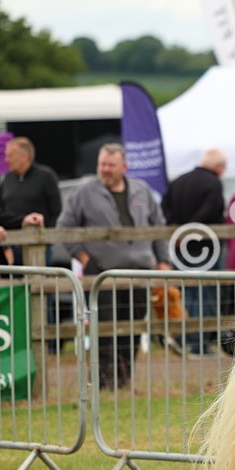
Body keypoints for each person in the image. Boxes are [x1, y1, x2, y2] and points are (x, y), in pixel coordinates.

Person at [57, 144, 171, 388]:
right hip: (102, 273)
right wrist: (84, 257)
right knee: (105, 327)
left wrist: (163, 260)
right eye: (102, 164)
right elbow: (64, 228)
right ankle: (103, 381)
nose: (105, 170)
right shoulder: (83, 192)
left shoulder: (141, 191)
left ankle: (124, 378)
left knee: (134, 326)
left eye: (111, 165)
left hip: (140, 272)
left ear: (124, 167)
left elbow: (159, 227)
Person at [161, 148, 228, 357]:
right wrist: (191, 229)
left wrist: (179, 230)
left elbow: (165, 209)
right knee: (206, 294)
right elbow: (211, 212)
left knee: (188, 293)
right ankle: (198, 345)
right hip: (206, 248)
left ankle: (183, 338)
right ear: (218, 167)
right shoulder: (213, 184)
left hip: (181, 246)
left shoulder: (179, 181)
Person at [0, 137, 61, 263]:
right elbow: (1, 210)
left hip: (39, 245)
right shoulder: (7, 179)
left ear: (25, 157)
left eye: (10, 156)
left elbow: (57, 211)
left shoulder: (46, 176)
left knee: (40, 282)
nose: (6, 160)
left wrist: (46, 240)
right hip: (12, 244)